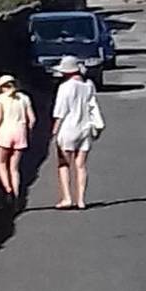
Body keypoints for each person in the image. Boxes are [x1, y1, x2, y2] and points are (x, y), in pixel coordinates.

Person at [51, 55, 97, 210]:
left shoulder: (65, 87)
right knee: (81, 165)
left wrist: (54, 131)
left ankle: (67, 198)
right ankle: (81, 199)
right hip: (85, 128)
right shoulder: (88, 85)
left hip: (68, 128)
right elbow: (92, 106)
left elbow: (60, 112)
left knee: (64, 164)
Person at [0, 74, 36, 206]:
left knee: (1, 163)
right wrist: (29, 132)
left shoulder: (1, 99)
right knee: (14, 168)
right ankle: (17, 194)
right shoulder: (24, 98)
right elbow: (32, 119)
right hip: (20, 131)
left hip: (5, 131)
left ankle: (8, 189)